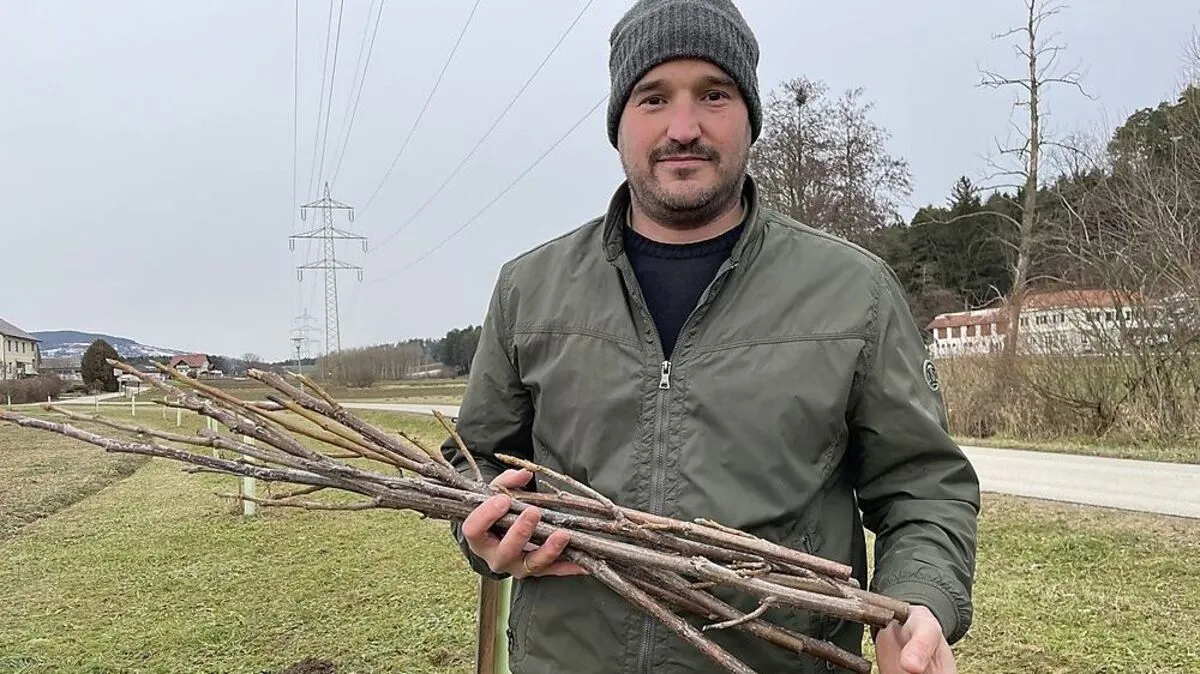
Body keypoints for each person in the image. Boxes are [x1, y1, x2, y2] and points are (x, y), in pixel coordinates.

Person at [440, 0, 981, 672]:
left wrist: (918, 600)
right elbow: (475, 459)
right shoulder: (530, 290)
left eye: (714, 94)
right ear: (618, 122)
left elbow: (922, 486)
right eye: (653, 98)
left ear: (750, 115)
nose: (683, 127)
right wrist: (484, 527)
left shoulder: (853, 292)